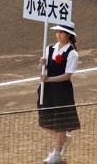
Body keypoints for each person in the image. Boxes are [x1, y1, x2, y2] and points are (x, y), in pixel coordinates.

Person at [38, 24, 80, 164]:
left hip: (62, 91)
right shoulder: (49, 48)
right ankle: (64, 138)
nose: (59, 34)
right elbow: (44, 72)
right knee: (45, 122)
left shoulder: (72, 53)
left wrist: (49, 79)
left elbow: (67, 76)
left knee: (61, 123)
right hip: (47, 90)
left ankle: (56, 154)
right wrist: (42, 64)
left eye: (62, 32)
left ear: (69, 35)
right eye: (57, 32)